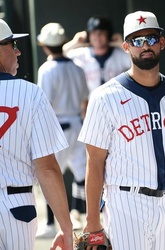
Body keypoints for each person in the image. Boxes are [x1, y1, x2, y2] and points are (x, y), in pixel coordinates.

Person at [78, 11, 165, 249]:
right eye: (137, 41)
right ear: (126, 47)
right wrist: (92, 221)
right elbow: (94, 163)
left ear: (162, 42)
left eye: (150, 38)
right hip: (124, 202)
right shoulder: (104, 97)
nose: (145, 46)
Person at [0, 19, 72, 249]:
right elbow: (47, 168)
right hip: (15, 208)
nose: (18, 51)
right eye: (13, 45)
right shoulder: (30, 93)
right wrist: (66, 227)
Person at [34, 22, 89, 238]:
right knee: (80, 174)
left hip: (57, 126)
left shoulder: (47, 69)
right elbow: (84, 101)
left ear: (46, 46)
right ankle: (82, 217)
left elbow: (43, 103)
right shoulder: (77, 67)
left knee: (49, 175)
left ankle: (50, 223)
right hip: (77, 124)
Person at [63, 16, 131, 95]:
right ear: (88, 36)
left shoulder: (119, 55)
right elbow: (58, 55)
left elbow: (137, 60)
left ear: (109, 35)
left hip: (116, 101)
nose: (97, 37)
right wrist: (75, 42)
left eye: (101, 33)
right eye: (94, 33)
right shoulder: (83, 54)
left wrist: (120, 44)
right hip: (91, 103)